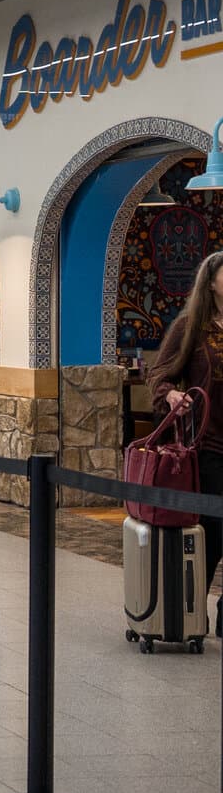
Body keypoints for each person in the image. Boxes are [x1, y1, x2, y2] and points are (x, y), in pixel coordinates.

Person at [150, 248, 223, 590]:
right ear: (210, 283)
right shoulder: (190, 327)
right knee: (213, 526)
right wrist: (170, 394)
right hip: (208, 442)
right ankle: (192, 609)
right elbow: (160, 374)